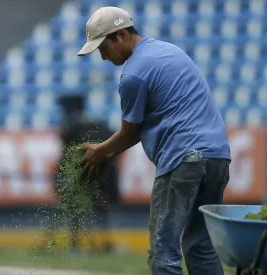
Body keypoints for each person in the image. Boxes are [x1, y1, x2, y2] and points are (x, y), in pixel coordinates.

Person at [77, 6, 231, 275]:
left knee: (164, 251)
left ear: (121, 35)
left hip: (183, 158)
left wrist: (100, 152)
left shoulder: (134, 74)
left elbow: (130, 132)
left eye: (103, 48)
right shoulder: (169, 50)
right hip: (218, 156)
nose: (102, 57)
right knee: (200, 247)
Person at [54, 94, 118, 254]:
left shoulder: (69, 127)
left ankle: (75, 245)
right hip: (100, 177)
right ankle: (103, 245)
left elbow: (66, 155)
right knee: (100, 212)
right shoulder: (98, 125)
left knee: (75, 212)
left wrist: (58, 179)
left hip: (79, 177)